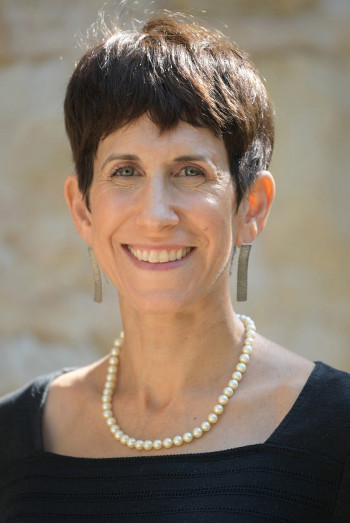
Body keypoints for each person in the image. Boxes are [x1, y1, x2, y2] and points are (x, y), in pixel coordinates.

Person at [0, 13, 349, 522]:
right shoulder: (14, 434)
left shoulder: (337, 430)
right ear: (83, 210)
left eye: (190, 171)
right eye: (125, 171)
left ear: (252, 206)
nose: (156, 215)